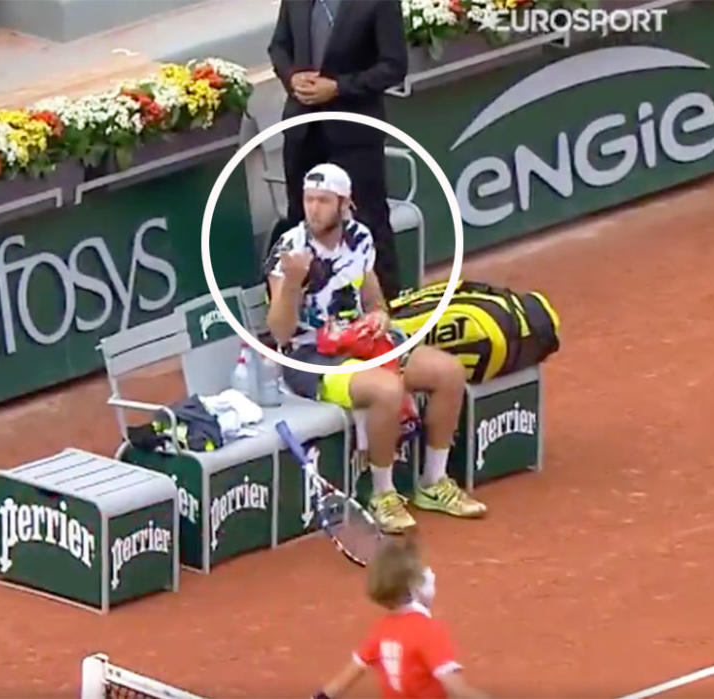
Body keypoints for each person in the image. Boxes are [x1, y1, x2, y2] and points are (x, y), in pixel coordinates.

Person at [265, 163, 485, 534]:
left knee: (448, 372)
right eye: (308, 199)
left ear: (344, 203)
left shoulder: (360, 238)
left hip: (362, 340)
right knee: (387, 389)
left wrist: (380, 317)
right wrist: (292, 284)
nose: (313, 208)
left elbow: (374, 300)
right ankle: (382, 494)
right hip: (310, 358)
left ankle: (433, 482)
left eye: (323, 200)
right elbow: (280, 331)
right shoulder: (290, 249)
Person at [267, 0, 409, 297]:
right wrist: (291, 76)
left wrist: (339, 87)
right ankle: (309, 315)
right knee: (302, 222)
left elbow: (393, 66)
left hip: (354, 134)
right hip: (302, 131)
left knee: (369, 222)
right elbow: (278, 47)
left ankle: (390, 312)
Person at [311, 536, 487, 698]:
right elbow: (457, 689)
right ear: (414, 584)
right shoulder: (428, 631)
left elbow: (341, 682)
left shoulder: (380, 630)